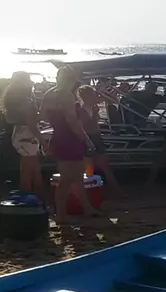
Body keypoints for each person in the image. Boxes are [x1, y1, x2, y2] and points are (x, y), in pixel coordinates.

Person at [41, 67, 101, 222]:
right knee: (67, 179)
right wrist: (86, 140)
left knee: (77, 176)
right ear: (72, 79)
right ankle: (61, 214)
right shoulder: (66, 94)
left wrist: (57, 121)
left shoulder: (48, 94)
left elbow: (44, 116)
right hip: (70, 138)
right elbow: (72, 121)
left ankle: (87, 208)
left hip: (58, 135)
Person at [1, 71, 49, 199]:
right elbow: (31, 124)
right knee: (29, 169)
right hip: (26, 136)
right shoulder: (25, 102)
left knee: (30, 167)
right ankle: (30, 197)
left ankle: (34, 196)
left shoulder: (15, 101)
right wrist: (43, 141)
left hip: (21, 134)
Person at [77, 85, 122, 196]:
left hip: (96, 136)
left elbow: (112, 100)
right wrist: (87, 140)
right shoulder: (82, 109)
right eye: (93, 94)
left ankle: (115, 192)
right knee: (90, 168)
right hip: (89, 137)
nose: (95, 96)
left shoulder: (92, 107)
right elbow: (83, 126)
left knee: (102, 166)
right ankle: (94, 192)